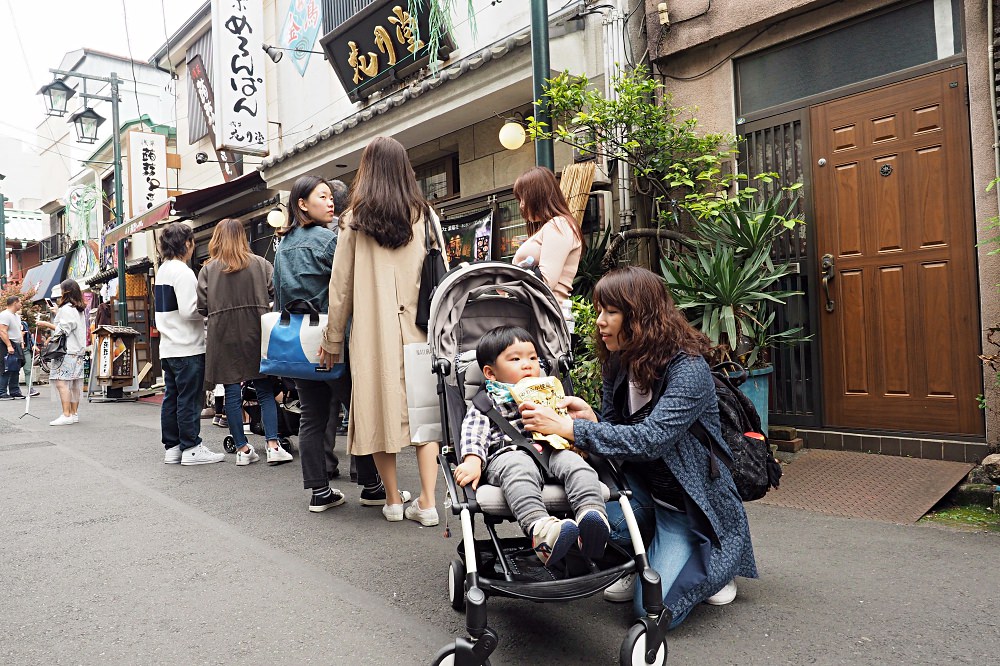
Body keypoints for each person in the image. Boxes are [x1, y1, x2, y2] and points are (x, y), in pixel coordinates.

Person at [520, 266, 757, 628]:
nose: (599, 322)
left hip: (688, 506)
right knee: (592, 522)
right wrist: (593, 420)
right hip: (639, 491)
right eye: (599, 310)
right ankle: (639, 555)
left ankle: (718, 560)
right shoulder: (618, 360)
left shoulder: (687, 369)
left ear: (641, 316)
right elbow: (619, 432)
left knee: (653, 612)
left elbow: (650, 439)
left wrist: (573, 428)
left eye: (610, 312)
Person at [322, 135, 444, 525]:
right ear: (405, 169)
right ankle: (427, 502)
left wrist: (333, 339)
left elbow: (340, 286)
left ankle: (392, 499)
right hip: (420, 330)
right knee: (424, 415)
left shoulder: (353, 221)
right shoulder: (425, 214)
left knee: (376, 411)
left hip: (373, 335)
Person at [273, 175, 391, 512]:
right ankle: (371, 486)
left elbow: (280, 296)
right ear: (301, 203)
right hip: (335, 339)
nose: (330, 203)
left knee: (312, 416)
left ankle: (319, 492)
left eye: (330, 197)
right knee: (360, 410)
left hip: (301, 343)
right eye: (322, 197)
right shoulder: (328, 240)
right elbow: (348, 287)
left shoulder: (283, 246)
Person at [453, 325, 610, 567]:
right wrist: (473, 460)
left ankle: (591, 517)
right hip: (508, 454)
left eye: (533, 358)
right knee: (519, 468)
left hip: (552, 449)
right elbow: (474, 433)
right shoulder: (487, 402)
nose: (528, 364)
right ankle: (541, 531)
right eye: (515, 359)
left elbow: (568, 424)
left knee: (577, 465)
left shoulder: (548, 394)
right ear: (490, 373)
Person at [198, 218, 293, 467]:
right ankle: (273, 445)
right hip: (256, 331)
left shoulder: (208, 269)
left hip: (224, 335)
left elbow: (201, 307)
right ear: (243, 237)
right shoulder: (261, 264)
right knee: (264, 390)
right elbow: (277, 292)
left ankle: (242, 449)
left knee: (231, 391)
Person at [154, 222, 224, 465]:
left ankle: (173, 447)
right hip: (188, 345)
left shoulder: (163, 269)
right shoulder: (183, 271)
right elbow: (189, 311)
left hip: (169, 346)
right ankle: (191, 447)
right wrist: (209, 309)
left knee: (172, 397)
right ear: (187, 243)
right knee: (189, 398)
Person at [511, 166, 584, 308]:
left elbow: (545, 281)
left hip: (543, 315)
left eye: (523, 198)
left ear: (538, 196)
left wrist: (509, 276)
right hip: (536, 311)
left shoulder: (559, 224)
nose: (522, 205)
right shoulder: (551, 227)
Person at [35, 280, 87, 425]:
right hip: (77, 351)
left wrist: (47, 325)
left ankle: (66, 414)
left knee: (61, 382)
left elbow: (63, 330)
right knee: (75, 383)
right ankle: (74, 413)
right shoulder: (78, 308)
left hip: (66, 351)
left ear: (65, 292)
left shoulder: (66, 309)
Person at [0, 295, 26, 400]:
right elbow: (2, 331)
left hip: (16, 344)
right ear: (15, 303)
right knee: (7, 368)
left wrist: (21, 342)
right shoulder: (5, 315)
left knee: (16, 368)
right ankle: (1, 392)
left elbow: (18, 331)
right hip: (8, 344)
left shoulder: (16, 316)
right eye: (20, 302)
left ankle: (14, 391)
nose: (21, 304)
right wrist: (9, 345)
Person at [20, 318, 41, 396]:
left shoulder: (24, 324)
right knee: (13, 371)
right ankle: (12, 390)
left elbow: (29, 336)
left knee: (28, 370)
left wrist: (33, 345)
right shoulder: (9, 323)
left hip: (26, 350)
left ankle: (30, 389)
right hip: (15, 350)